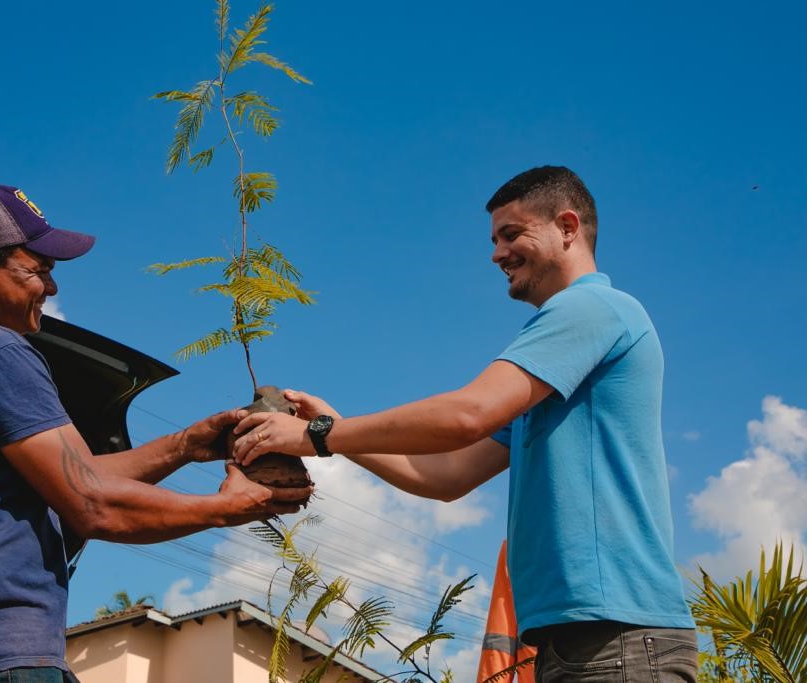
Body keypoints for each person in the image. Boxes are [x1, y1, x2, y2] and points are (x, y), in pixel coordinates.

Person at [232, 167, 698, 681]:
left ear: (567, 227)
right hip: (581, 640)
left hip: (616, 638)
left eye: (512, 234)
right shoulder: (557, 369)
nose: (497, 253)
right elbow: (447, 476)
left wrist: (316, 438)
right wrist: (335, 429)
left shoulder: (591, 308)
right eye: (495, 239)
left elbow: (467, 414)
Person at [0, 184, 311, 683]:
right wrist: (227, 508)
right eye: (40, 271)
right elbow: (93, 504)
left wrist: (185, 445)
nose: (51, 288)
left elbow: (75, 479)